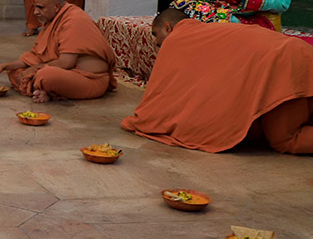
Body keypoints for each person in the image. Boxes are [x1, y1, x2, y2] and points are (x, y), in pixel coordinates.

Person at [121, 9, 313, 154]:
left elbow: (163, 95)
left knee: (285, 140)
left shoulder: (177, 39)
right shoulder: (206, 32)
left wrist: (145, 120)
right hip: (295, 55)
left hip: (286, 65)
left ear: (167, 28)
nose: (156, 44)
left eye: (156, 35)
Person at [0, 0, 116, 103]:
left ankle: (47, 90)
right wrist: (4, 66)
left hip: (89, 79)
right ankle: (45, 91)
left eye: (40, 7)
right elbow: (36, 56)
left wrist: (33, 70)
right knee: (15, 72)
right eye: (34, 7)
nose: (35, 12)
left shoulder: (74, 20)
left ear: (56, 7)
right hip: (65, 72)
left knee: (45, 76)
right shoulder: (52, 19)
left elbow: (66, 63)